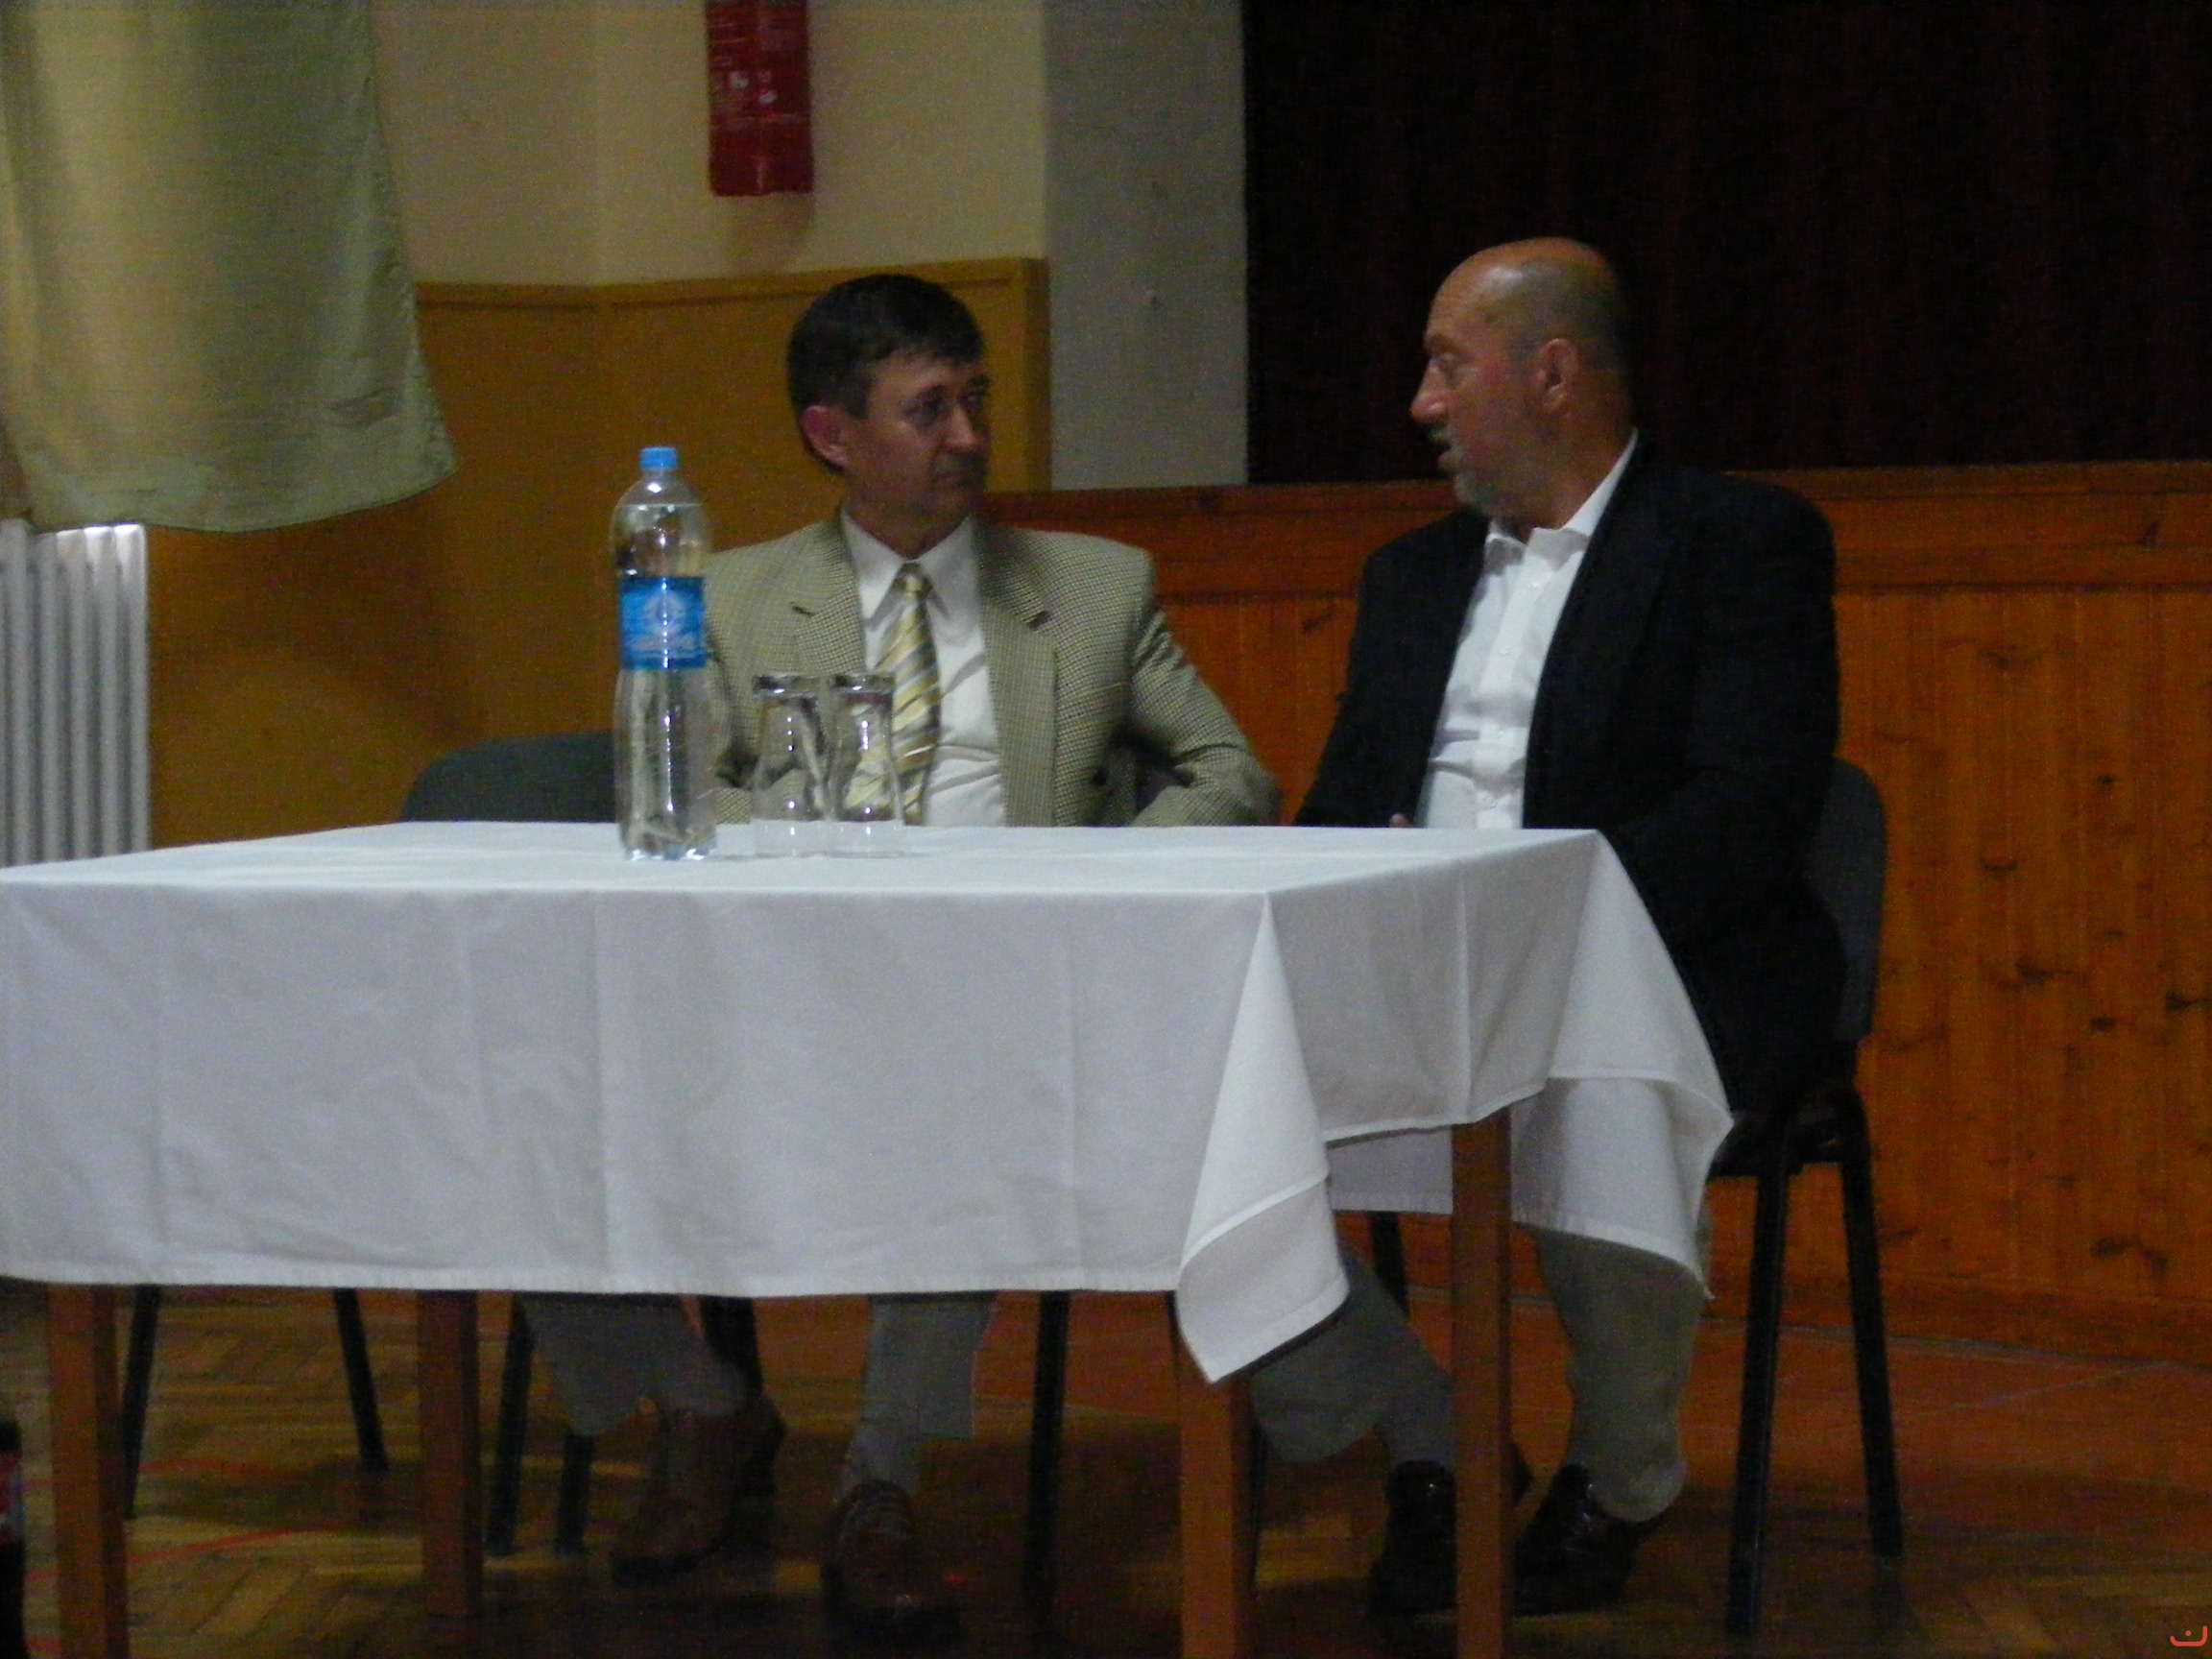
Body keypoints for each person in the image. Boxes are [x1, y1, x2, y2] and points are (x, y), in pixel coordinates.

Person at [526, 272, 1278, 1641]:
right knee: (520, 1106)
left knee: (960, 1111)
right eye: (929, 409)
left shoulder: (1092, 588)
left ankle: (879, 1482)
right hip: (780, 991)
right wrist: (819, 838)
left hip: (1010, 994)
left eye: (976, 400)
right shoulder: (729, 594)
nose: (969, 436)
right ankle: (701, 1403)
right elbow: (670, 788)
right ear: (833, 434)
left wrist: (1098, 880)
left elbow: (1231, 771)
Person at [1290, 238, 1844, 1618]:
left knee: (1602, 1080)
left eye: (1446, 366)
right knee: (1192, 1105)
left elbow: (1748, 811)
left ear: (1552, 375)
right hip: (1419, 971)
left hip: (1657, 962)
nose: (1420, 404)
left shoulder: (1735, 543)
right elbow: (1340, 813)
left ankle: (1621, 1475)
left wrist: (1534, 928)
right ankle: (1432, 1437)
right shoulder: (1409, 577)